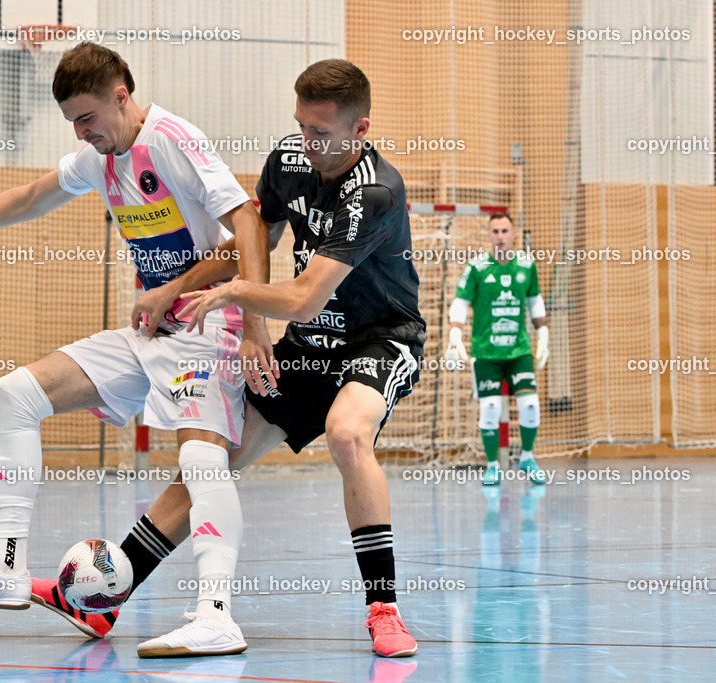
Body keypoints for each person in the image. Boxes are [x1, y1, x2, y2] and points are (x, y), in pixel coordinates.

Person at [35, 58, 425, 659]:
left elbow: (299, 297)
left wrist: (238, 301)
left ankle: (384, 609)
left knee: (347, 434)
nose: (308, 144)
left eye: (322, 134)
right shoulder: (289, 164)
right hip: (309, 349)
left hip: (378, 340)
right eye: (301, 127)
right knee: (209, 464)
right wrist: (177, 286)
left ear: (360, 129)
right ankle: (110, 595)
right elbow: (248, 245)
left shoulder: (375, 193)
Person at [0, 42, 271, 657]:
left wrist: (255, 323)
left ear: (121, 97)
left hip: (209, 326)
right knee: (14, 394)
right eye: (72, 121)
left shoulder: (174, 139)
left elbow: (249, 225)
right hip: (153, 330)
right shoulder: (101, 158)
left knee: (203, 464)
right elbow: (32, 195)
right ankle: (7, 569)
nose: (81, 132)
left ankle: (216, 615)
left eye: (88, 118)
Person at [443, 213, 549, 485]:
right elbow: (461, 302)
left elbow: (535, 300)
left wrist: (544, 332)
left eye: (505, 231)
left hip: (518, 351)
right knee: (490, 407)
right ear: (489, 235)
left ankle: (527, 457)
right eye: (495, 231)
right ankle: (492, 467)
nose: (500, 236)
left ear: (514, 234)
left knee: (530, 405)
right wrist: (455, 331)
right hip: (486, 352)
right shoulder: (477, 267)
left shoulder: (526, 265)